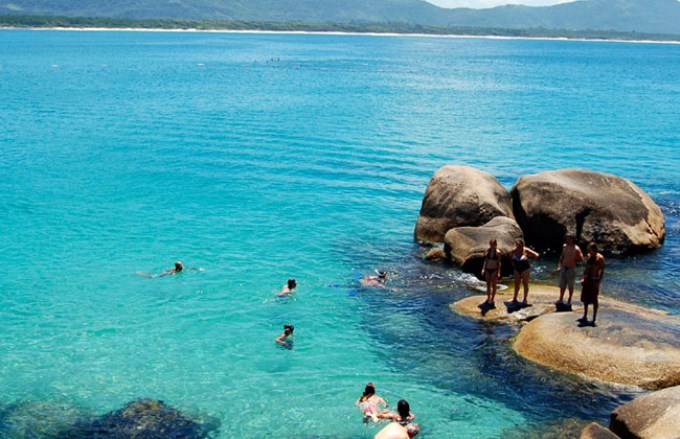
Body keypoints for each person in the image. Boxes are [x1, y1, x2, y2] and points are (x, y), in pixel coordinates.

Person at [579, 242, 605, 326]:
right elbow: (586, 268)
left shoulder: (600, 258)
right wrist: (583, 278)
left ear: (594, 249)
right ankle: (585, 315)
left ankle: (594, 318)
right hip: (588, 279)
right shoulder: (589, 256)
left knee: (594, 299)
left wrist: (599, 282)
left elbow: (602, 271)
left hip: (594, 280)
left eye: (590, 250)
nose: (589, 251)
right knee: (585, 299)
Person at [556, 235, 584, 306]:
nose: (567, 240)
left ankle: (569, 300)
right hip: (564, 267)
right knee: (562, 284)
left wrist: (574, 260)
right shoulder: (565, 246)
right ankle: (561, 299)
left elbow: (581, 259)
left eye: (569, 239)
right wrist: (559, 266)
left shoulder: (576, 248)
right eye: (567, 239)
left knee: (570, 285)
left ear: (572, 240)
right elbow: (562, 257)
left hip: (571, 269)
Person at [510, 239, 539, 306]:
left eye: (519, 245)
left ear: (522, 245)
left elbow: (536, 255)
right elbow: (510, 255)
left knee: (525, 283)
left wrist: (531, 262)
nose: (518, 247)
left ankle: (525, 299)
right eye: (517, 245)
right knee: (517, 283)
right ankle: (514, 298)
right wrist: (513, 263)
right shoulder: (514, 250)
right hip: (517, 268)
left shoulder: (525, 250)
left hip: (525, 269)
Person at [480, 238, 502, 308]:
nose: (492, 246)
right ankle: (488, 298)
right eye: (491, 244)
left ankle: (492, 299)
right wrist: (483, 269)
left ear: (495, 244)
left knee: (494, 284)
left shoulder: (498, 252)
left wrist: (498, 272)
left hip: (494, 270)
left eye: (493, 245)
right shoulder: (488, 251)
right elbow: (485, 261)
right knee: (488, 284)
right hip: (487, 269)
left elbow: (499, 263)